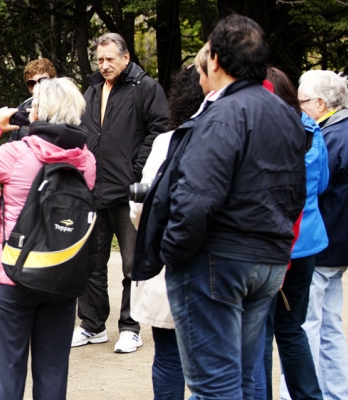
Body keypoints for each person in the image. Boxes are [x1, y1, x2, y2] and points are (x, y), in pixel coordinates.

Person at [131, 14, 306, 398]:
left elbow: (195, 198)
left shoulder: (220, 116)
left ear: (216, 61)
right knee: (244, 377)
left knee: (214, 385)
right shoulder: (286, 115)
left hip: (218, 262)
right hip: (269, 261)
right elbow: (297, 192)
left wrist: (172, 252)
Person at [0, 78, 96, 399]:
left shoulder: (17, 153)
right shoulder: (86, 160)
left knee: (9, 374)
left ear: (36, 113)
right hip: (61, 275)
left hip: (12, 277)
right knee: (53, 375)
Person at [74, 32, 169, 354]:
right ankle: (91, 324)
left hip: (129, 192)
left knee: (132, 265)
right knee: (90, 262)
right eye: (99, 60)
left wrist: (137, 169)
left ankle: (130, 327)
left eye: (110, 59)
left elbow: (161, 129)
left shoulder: (146, 88)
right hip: (93, 190)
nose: (104, 65)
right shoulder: (91, 90)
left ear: (125, 57)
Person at [127, 64, 207, 400]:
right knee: (212, 362)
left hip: (165, 261)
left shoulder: (164, 143)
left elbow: (140, 207)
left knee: (168, 356)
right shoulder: (228, 137)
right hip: (213, 265)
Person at [297, 69, 348, 400]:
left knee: (306, 327)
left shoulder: (332, 137)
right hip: (341, 246)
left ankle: (308, 394)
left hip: (324, 246)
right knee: (329, 328)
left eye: (301, 102)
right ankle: (336, 394)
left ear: (321, 103)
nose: (298, 108)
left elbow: (316, 188)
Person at [255, 67, 329, 400]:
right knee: (292, 329)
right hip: (308, 243)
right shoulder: (312, 126)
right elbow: (323, 182)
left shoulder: (268, 131)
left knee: (261, 333)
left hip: (274, 244)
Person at [8, 58, 57, 141]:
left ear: (53, 81)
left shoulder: (67, 105)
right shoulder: (22, 110)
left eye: (43, 80)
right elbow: (13, 143)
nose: (37, 86)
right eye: (32, 83)